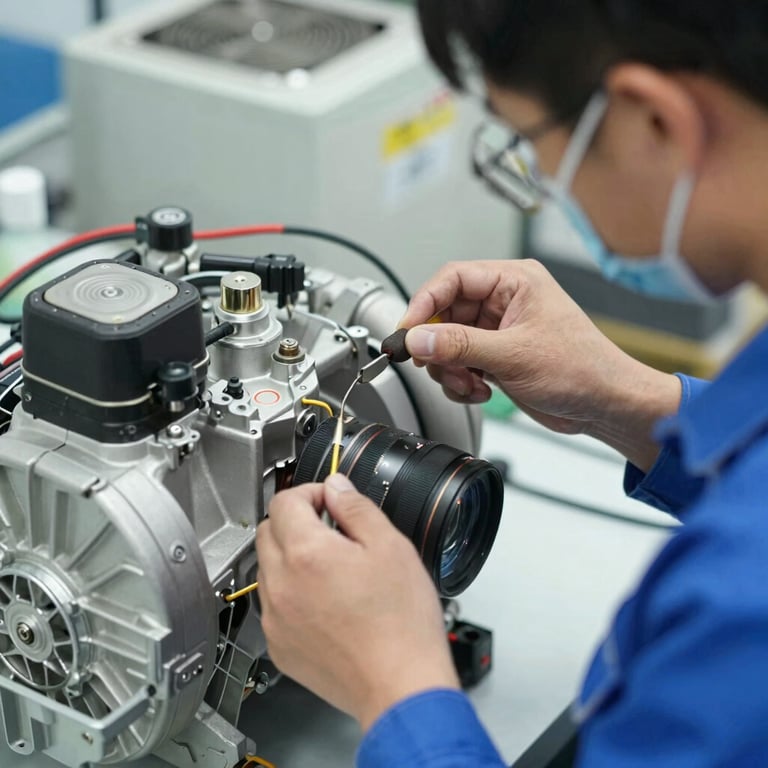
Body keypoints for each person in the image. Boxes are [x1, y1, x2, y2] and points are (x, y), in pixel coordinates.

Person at [255, 2, 768, 765]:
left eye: (528, 142)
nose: (541, 177)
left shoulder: (735, 612)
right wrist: (625, 399)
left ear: (651, 120)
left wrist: (394, 683)